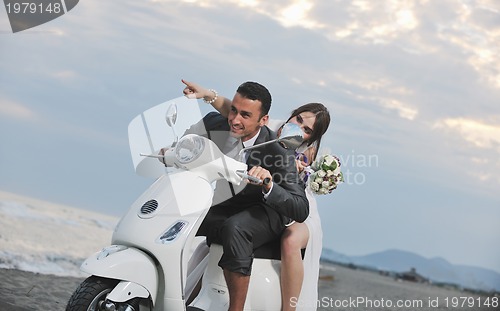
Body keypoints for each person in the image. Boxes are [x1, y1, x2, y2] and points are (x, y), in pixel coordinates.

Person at [182, 79, 330, 311]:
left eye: (307, 130)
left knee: (289, 240)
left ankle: (287, 307)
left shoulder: (299, 152)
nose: (299, 128)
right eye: (299, 119)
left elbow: (298, 204)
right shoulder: (267, 125)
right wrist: (206, 95)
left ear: (311, 137)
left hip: (283, 207)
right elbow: (236, 111)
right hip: (249, 199)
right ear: (293, 115)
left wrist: (276, 179)